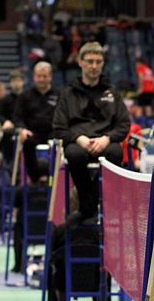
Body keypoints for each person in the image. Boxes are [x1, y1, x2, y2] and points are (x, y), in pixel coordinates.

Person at [52, 42, 130, 220]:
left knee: (116, 151)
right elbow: (58, 126)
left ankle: (88, 205)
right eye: (90, 61)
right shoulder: (68, 94)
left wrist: (107, 138)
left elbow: (124, 124)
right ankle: (91, 204)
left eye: (98, 62)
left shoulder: (112, 92)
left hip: (105, 142)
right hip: (79, 144)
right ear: (80, 62)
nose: (94, 66)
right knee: (74, 153)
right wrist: (78, 138)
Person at [13, 61, 59, 183]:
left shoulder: (59, 95)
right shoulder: (24, 96)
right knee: (26, 141)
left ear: (50, 77)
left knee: (62, 142)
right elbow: (17, 118)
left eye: (45, 76)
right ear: (34, 77)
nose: (42, 79)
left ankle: (55, 179)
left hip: (53, 133)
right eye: (39, 76)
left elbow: (64, 117)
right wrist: (22, 129)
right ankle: (35, 177)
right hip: (33, 133)